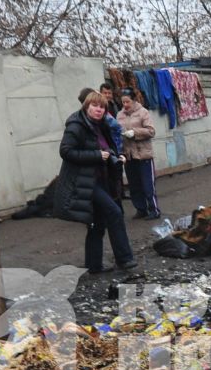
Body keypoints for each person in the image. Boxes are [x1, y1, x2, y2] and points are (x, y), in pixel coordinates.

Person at [53, 91, 136, 273]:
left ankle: (94, 265)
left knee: (97, 222)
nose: (98, 110)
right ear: (86, 106)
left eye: (102, 107)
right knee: (114, 213)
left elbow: (109, 147)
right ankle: (125, 259)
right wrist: (96, 155)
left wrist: (118, 156)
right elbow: (66, 151)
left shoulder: (102, 125)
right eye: (95, 106)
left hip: (101, 178)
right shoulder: (76, 125)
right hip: (84, 181)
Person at [117, 88, 160, 219]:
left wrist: (135, 133)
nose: (125, 105)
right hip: (128, 156)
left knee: (148, 185)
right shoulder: (120, 115)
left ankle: (154, 210)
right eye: (123, 102)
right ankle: (141, 209)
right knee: (134, 185)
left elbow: (151, 131)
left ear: (134, 100)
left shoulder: (143, 112)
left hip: (143, 155)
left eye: (127, 102)